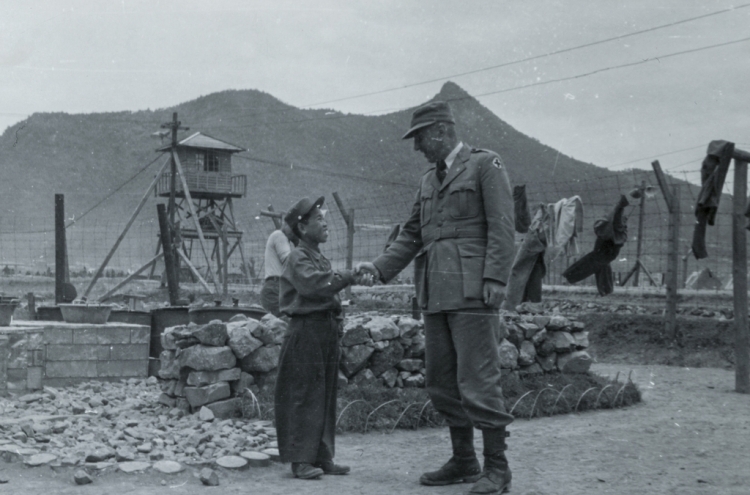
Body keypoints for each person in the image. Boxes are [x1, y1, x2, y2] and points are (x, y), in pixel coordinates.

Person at [357, 100, 515, 495]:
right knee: (442, 382)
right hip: (435, 293)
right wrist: (378, 267)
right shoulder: (428, 181)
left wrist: (496, 277)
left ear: (442, 131)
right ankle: (464, 461)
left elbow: (502, 226)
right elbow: (411, 235)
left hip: (474, 292)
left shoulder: (485, 166)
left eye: (421, 138)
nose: (417, 148)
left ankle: (497, 469)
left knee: (479, 380)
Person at [274, 196, 372, 481]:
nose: (325, 222)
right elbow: (315, 286)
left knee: (325, 394)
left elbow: (328, 288)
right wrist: (350, 276)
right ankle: (301, 460)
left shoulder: (316, 256)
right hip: (305, 331)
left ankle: (322, 454)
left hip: (324, 330)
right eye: (318, 219)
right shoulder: (297, 257)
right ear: (302, 229)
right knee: (304, 394)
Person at [260, 222, 297, 316]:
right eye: (292, 226)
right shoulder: (280, 235)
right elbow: (289, 261)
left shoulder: (283, 238)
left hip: (276, 287)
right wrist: (299, 243)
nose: (294, 231)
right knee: (284, 322)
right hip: (275, 287)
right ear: (285, 224)